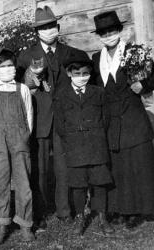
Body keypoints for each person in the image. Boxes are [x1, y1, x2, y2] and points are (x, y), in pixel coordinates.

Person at [91, 11, 154, 229]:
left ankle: (143, 210)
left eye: (112, 30)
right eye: (103, 32)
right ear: (99, 35)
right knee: (119, 167)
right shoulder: (97, 59)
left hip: (133, 117)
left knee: (139, 165)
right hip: (111, 121)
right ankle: (122, 209)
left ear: (119, 31)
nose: (108, 35)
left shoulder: (134, 52)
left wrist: (143, 86)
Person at [17, 5, 89, 227]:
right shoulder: (26, 56)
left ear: (58, 27)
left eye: (52, 26)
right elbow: (19, 89)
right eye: (44, 27)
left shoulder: (72, 54)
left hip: (65, 120)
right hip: (39, 119)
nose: (49, 30)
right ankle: (39, 212)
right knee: (39, 169)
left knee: (63, 166)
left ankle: (64, 211)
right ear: (37, 32)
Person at [54, 50, 114, 235]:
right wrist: (73, 138)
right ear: (69, 74)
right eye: (77, 74)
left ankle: (102, 217)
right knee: (78, 185)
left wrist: (94, 134)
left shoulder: (98, 93)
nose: (82, 77)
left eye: (86, 74)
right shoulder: (61, 95)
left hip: (96, 145)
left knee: (99, 183)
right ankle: (80, 217)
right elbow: (60, 124)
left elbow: (106, 119)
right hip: (75, 147)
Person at [0, 47, 35, 244]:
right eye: (2, 66)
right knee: (0, 183)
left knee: (24, 183)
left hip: (19, 139)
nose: (7, 69)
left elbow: (29, 116)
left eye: (10, 65)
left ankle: (25, 223)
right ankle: (1, 224)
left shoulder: (23, 89)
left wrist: (23, 136)